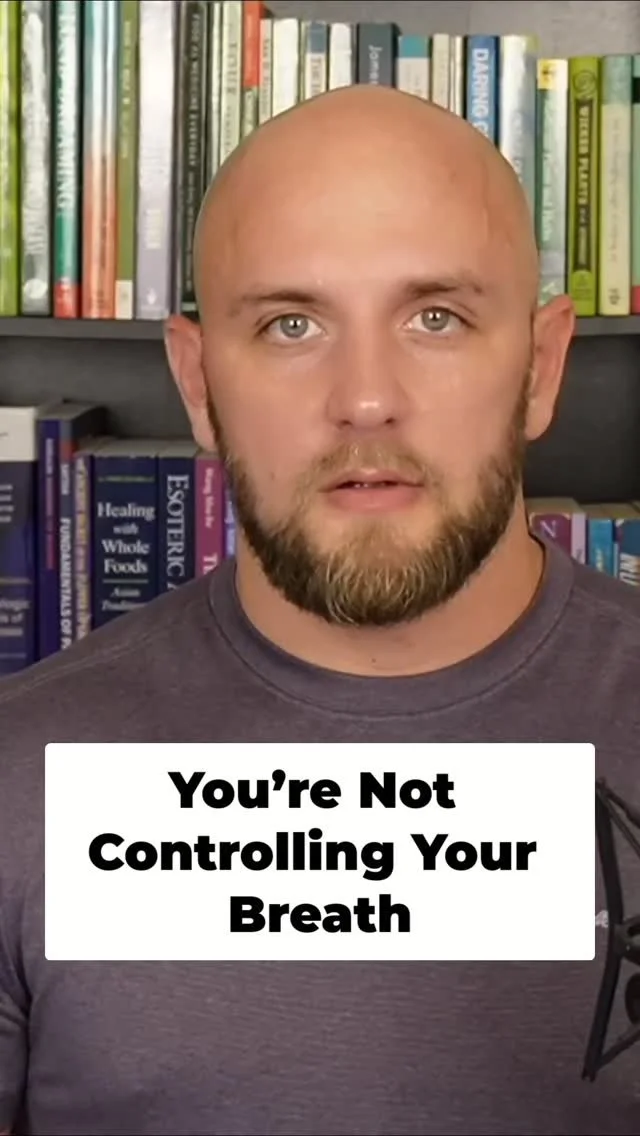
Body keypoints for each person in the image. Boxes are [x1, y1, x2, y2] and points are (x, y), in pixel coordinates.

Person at [0, 85, 639, 1136]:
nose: (366, 398)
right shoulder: (19, 776)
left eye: (436, 317)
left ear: (542, 366)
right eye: (290, 324)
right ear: (198, 384)